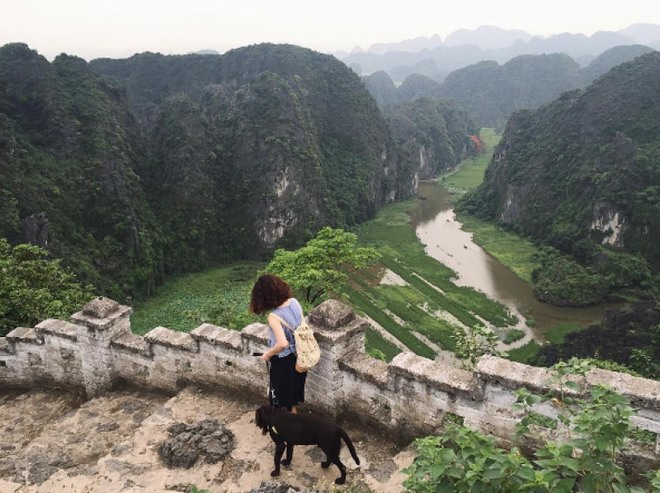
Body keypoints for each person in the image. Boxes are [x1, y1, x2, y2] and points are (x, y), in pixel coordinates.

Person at [249, 274, 307, 413]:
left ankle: (291, 430)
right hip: (300, 356)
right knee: (293, 397)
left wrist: (268, 355)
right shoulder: (294, 302)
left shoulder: (274, 316)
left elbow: (282, 344)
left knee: (284, 399)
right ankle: (295, 425)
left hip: (284, 362)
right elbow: (302, 326)